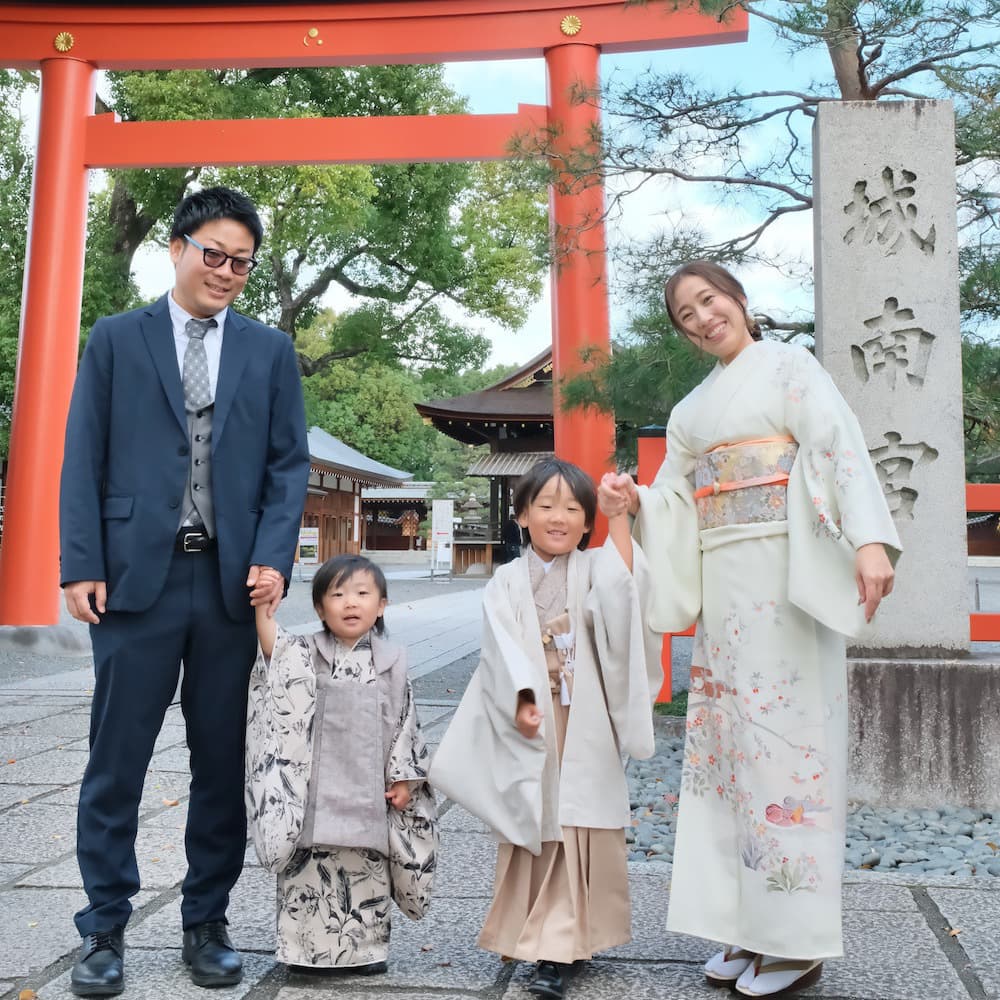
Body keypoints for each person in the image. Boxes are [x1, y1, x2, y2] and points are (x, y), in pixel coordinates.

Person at [599, 261, 900, 998]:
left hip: (788, 580)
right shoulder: (692, 411)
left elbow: (837, 449)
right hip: (727, 593)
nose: (702, 318)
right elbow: (674, 498)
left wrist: (866, 541)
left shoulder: (791, 369)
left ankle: (793, 941)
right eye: (685, 314)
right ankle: (744, 924)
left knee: (787, 751)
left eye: (709, 301)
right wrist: (632, 498)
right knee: (729, 754)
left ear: (738, 298)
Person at [59, 186, 311, 996]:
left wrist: (274, 556)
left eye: (242, 261)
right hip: (136, 581)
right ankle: (103, 926)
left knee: (220, 761)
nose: (228, 271)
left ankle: (206, 920)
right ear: (176, 247)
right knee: (116, 761)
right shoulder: (116, 339)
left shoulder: (269, 352)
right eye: (215, 253)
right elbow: (83, 453)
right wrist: (80, 562)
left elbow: (287, 465)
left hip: (231, 583)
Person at [431, 457, 661, 1000]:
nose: (558, 518)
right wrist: (524, 698)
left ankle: (557, 947)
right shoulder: (507, 581)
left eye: (573, 509)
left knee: (574, 824)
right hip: (531, 715)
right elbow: (501, 651)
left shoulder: (595, 567)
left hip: (583, 713)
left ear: (587, 523)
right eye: (545, 506)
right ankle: (541, 934)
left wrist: (620, 519)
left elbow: (626, 592)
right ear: (521, 516)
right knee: (537, 818)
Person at [245, 555, 436, 973]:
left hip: (370, 784)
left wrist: (405, 778)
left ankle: (367, 953)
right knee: (309, 866)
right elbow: (274, 654)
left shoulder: (392, 661)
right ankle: (302, 953)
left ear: (382, 605)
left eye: (363, 594)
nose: (351, 603)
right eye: (338, 594)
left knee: (366, 867)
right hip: (314, 781)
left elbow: (407, 722)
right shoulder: (305, 653)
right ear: (319, 608)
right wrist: (262, 608)